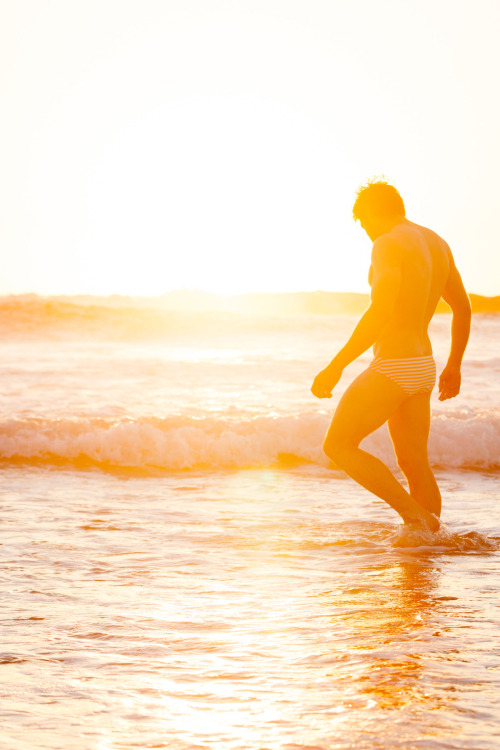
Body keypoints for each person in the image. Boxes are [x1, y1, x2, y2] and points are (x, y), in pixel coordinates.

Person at [311, 179, 471, 530]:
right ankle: (428, 543)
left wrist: (335, 366)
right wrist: (454, 365)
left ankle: (417, 519)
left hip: (392, 366)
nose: (366, 233)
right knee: (415, 464)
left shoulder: (387, 243)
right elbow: (462, 307)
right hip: (423, 367)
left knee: (338, 444)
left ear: (370, 212)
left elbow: (380, 311)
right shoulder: (437, 243)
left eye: (364, 224)